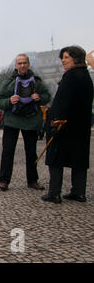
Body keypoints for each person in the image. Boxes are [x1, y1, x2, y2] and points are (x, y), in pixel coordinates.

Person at [42, 46, 93, 203]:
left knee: (55, 157)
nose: (63, 61)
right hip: (81, 125)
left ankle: (54, 193)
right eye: (62, 57)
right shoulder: (85, 76)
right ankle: (79, 192)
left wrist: (54, 120)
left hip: (63, 124)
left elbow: (62, 102)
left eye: (66, 57)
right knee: (79, 159)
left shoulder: (70, 76)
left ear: (75, 59)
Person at [0, 54, 51, 191]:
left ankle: (32, 180)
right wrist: (9, 101)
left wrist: (39, 98)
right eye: (19, 63)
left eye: (24, 63)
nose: (22, 65)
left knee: (31, 152)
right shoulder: (8, 82)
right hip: (12, 121)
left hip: (31, 120)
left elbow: (47, 96)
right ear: (16, 65)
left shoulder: (37, 82)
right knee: (8, 151)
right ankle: (4, 181)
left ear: (28, 64)